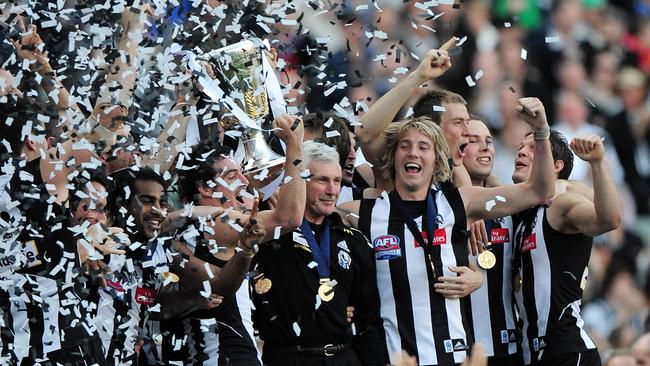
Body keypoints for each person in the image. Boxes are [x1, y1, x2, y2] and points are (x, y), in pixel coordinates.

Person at [336, 96, 556, 365]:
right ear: (394, 157)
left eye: (423, 147)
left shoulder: (459, 203)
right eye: (405, 146)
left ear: (437, 157)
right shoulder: (364, 213)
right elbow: (307, 216)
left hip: (453, 357)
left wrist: (542, 130)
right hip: (395, 359)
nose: (413, 153)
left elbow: (540, 190)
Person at [165, 113, 306, 365]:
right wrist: (295, 145)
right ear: (205, 188)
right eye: (232, 177)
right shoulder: (216, 225)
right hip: (229, 354)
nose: (244, 181)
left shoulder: (176, 231)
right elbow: (290, 217)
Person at [108, 166, 264, 364]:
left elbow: (219, 284)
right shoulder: (95, 242)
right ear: (121, 205)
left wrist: (245, 250)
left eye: (161, 202)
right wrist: (185, 214)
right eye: (146, 201)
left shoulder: (163, 249)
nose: (156, 209)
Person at [252, 141, 385, 366]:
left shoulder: (354, 240)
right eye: (322, 180)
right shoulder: (270, 234)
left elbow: (370, 318)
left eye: (336, 181)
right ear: (300, 182)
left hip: (343, 358)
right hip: (287, 358)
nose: (332, 191)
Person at [511, 132, 621, 365]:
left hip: (568, 352)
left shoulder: (560, 203)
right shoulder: (519, 210)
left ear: (556, 166)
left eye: (533, 148)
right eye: (520, 147)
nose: (521, 151)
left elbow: (609, 219)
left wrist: (598, 164)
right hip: (531, 354)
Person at [462, 118, 519, 365]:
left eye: (488, 141)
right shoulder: (437, 204)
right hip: (456, 349)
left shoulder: (511, 207)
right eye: (473, 141)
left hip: (506, 347)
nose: (485, 147)